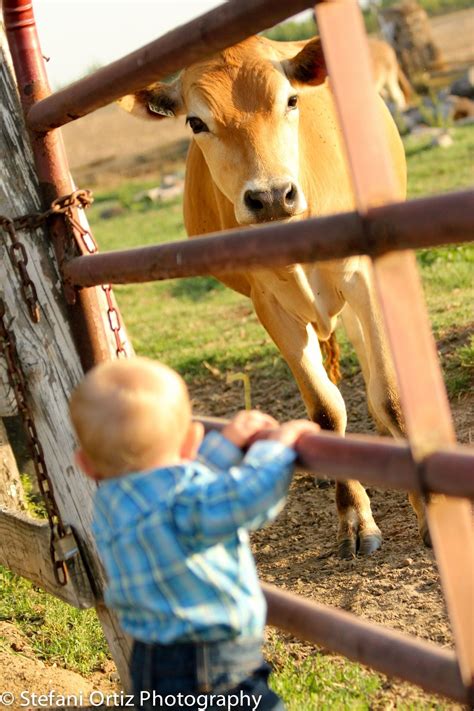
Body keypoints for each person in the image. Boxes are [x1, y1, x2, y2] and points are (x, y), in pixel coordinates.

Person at [69, 357, 320, 710]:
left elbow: (182, 484)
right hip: (210, 668)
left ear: (85, 465)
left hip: (150, 662)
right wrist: (277, 446)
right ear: (192, 441)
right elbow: (245, 494)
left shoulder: (113, 501)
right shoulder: (184, 505)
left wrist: (228, 444)